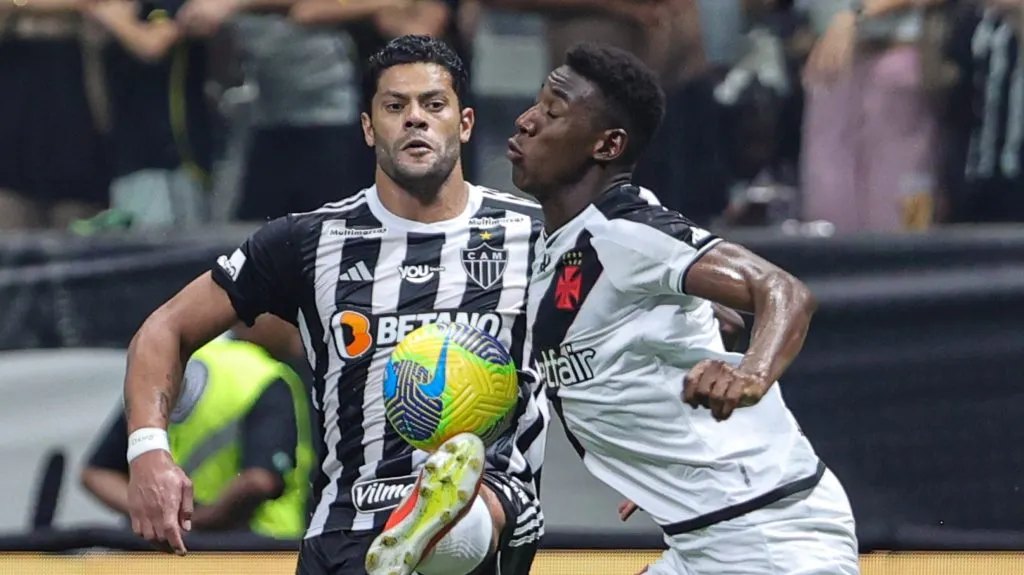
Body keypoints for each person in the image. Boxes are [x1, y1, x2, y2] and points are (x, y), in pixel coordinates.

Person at [120, 35, 549, 575]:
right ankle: (424, 528)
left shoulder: (536, 234)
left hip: (491, 515)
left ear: (464, 124)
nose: (414, 119)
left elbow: (630, 320)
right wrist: (148, 451)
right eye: (395, 106)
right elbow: (165, 329)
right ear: (369, 128)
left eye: (432, 104)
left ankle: (445, 524)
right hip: (349, 529)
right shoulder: (309, 239)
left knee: (484, 505)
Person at [507, 43, 859, 574]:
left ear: (608, 145)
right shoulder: (561, 245)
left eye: (553, 112)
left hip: (771, 540)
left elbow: (785, 292)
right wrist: (652, 464)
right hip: (704, 539)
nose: (527, 121)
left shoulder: (628, 234)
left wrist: (750, 375)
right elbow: (717, 319)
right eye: (535, 105)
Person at [81, 315, 315, 539]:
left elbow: (98, 473)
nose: (297, 326)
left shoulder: (172, 366)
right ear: (258, 315)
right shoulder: (265, 378)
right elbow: (260, 480)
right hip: (256, 553)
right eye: (289, 314)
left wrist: (161, 519)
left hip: (167, 556)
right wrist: (200, 522)